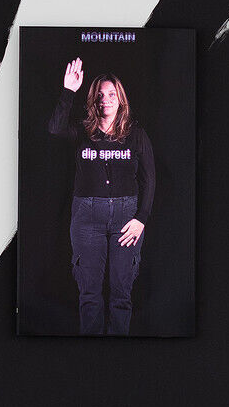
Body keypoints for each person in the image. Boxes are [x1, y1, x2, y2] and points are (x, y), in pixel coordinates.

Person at [47, 56, 155, 335]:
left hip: (126, 218)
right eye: (99, 94)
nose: (105, 99)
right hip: (86, 218)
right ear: (93, 99)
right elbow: (55, 128)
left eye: (111, 94)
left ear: (120, 99)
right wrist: (69, 91)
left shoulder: (137, 135)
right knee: (90, 296)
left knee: (121, 295)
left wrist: (141, 218)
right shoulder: (83, 132)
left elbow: (149, 179)